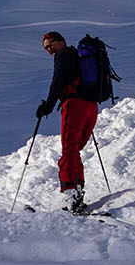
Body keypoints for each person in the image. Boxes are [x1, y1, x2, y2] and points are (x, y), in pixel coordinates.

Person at [36, 31, 98, 215]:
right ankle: (77, 193)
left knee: (69, 150)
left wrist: (47, 106)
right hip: (91, 106)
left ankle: (72, 196)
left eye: (51, 43)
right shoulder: (79, 57)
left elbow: (57, 83)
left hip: (74, 105)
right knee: (74, 150)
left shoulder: (63, 57)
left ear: (62, 41)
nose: (49, 49)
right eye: (46, 47)